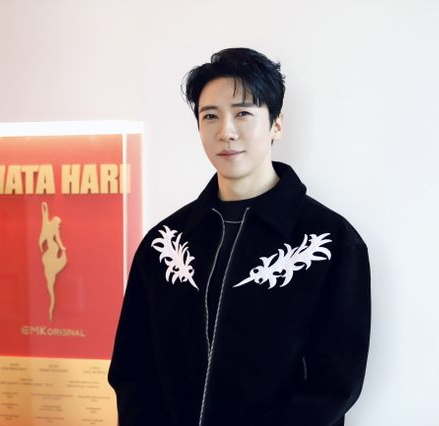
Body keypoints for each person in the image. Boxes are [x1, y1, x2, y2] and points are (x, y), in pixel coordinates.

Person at [108, 47, 371, 426]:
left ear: (276, 124)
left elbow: (334, 384)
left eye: (243, 113)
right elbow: (133, 369)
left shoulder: (329, 242)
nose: (226, 131)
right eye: (210, 116)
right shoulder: (164, 243)